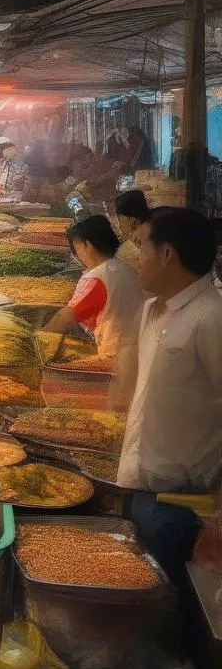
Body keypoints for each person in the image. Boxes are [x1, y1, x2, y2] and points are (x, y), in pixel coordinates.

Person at [118, 207, 222, 583]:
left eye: (141, 247)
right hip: (135, 482)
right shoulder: (151, 310)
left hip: (182, 502)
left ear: (167, 254)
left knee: (168, 602)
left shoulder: (211, 317)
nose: (135, 259)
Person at [43, 216, 144, 366]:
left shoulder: (98, 277)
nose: (78, 256)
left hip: (115, 357)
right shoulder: (123, 268)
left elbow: (64, 318)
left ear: (86, 245)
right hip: (135, 349)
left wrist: (38, 340)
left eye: (76, 249)